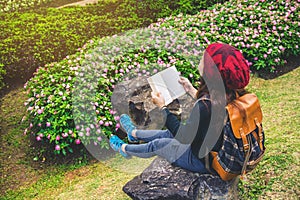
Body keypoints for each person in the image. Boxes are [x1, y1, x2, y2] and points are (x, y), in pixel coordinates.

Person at [109, 43, 250, 174]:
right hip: (217, 148)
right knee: (167, 134)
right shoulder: (234, 93)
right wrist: (190, 89)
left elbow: (183, 137)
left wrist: (162, 107)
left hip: (207, 161)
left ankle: (124, 149)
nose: (201, 60)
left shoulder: (204, 106)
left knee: (159, 144)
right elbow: (215, 107)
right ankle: (133, 134)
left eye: (204, 59)